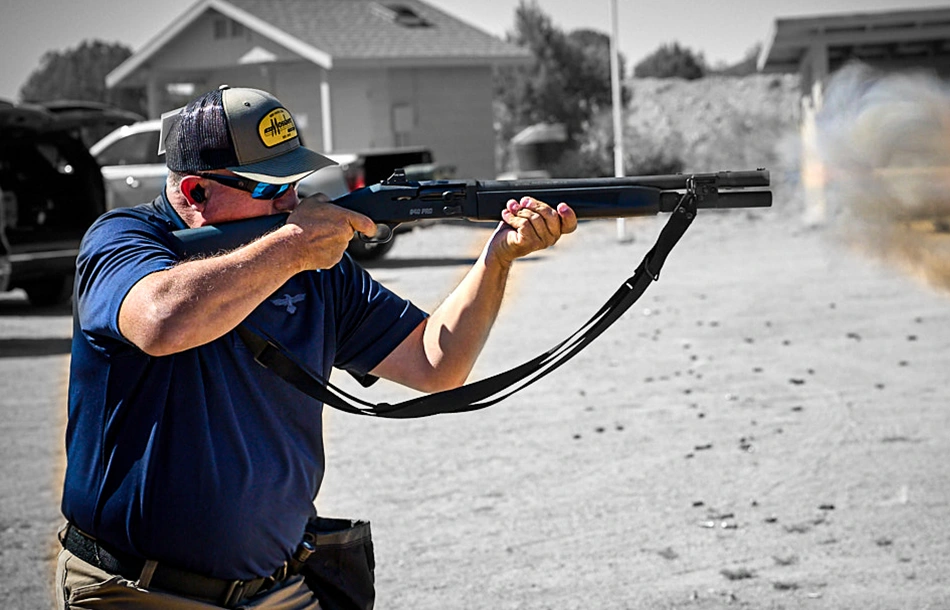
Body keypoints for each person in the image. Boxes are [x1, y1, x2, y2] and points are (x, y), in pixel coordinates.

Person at [56, 85, 576, 609]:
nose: (292, 203)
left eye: (295, 183)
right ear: (195, 192)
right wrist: (293, 247)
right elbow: (163, 321)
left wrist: (496, 259)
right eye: (271, 189)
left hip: (278, 588)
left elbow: (435, 363)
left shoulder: (314, 264)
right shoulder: (123, 240)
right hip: (139, 590)